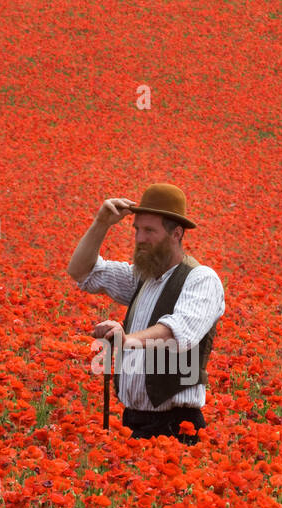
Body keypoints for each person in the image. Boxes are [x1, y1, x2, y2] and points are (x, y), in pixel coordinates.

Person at [66, 183, 225, 444]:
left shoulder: (201, 279)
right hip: (132, 423)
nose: (140, 238)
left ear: (176, 233)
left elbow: (178, 332)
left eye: (150, 230)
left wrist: (127, 340)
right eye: (137, 230)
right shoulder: (141, 278)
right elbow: (82, 272)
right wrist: (101, 222)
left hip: (177, 428)